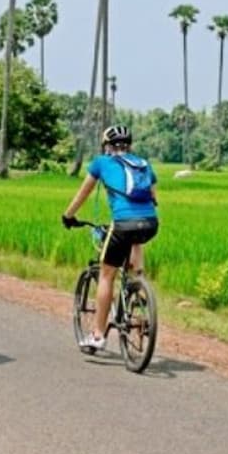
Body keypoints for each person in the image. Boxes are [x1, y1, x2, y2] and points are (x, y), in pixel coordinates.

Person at [61, 126, 159, 350]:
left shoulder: (101, 163)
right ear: (129, 145)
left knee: (106, 275)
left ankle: (97, 336)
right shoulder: (143, 164)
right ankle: (138, 284)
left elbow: (83, 193)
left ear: (107, 145)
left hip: (123, 223)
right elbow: (154, 196)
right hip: (151, 223)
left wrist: (68, 216)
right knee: (136, 239)